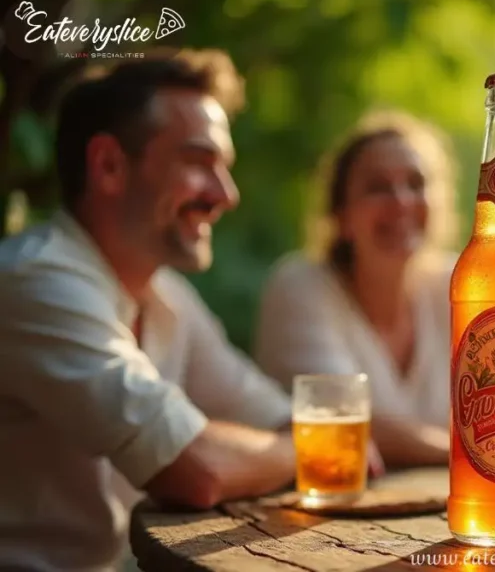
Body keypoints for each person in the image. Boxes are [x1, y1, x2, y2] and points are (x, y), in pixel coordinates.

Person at [0, 49, 301, 571]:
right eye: (198, 161)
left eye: (224, 168)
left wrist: (295, 441)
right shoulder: (33, 281)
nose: (226, 195)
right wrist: (315, 451)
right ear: (109, 165)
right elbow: (197, 467)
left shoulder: (166, 294)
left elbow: (273, 413)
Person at [254, 110, 459, 468]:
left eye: (416, 183)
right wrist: (477, 454)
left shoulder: (460, 284)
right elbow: (345, 420)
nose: (401, 201)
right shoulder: (300, 286)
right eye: (378, 188)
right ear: (341, 217)